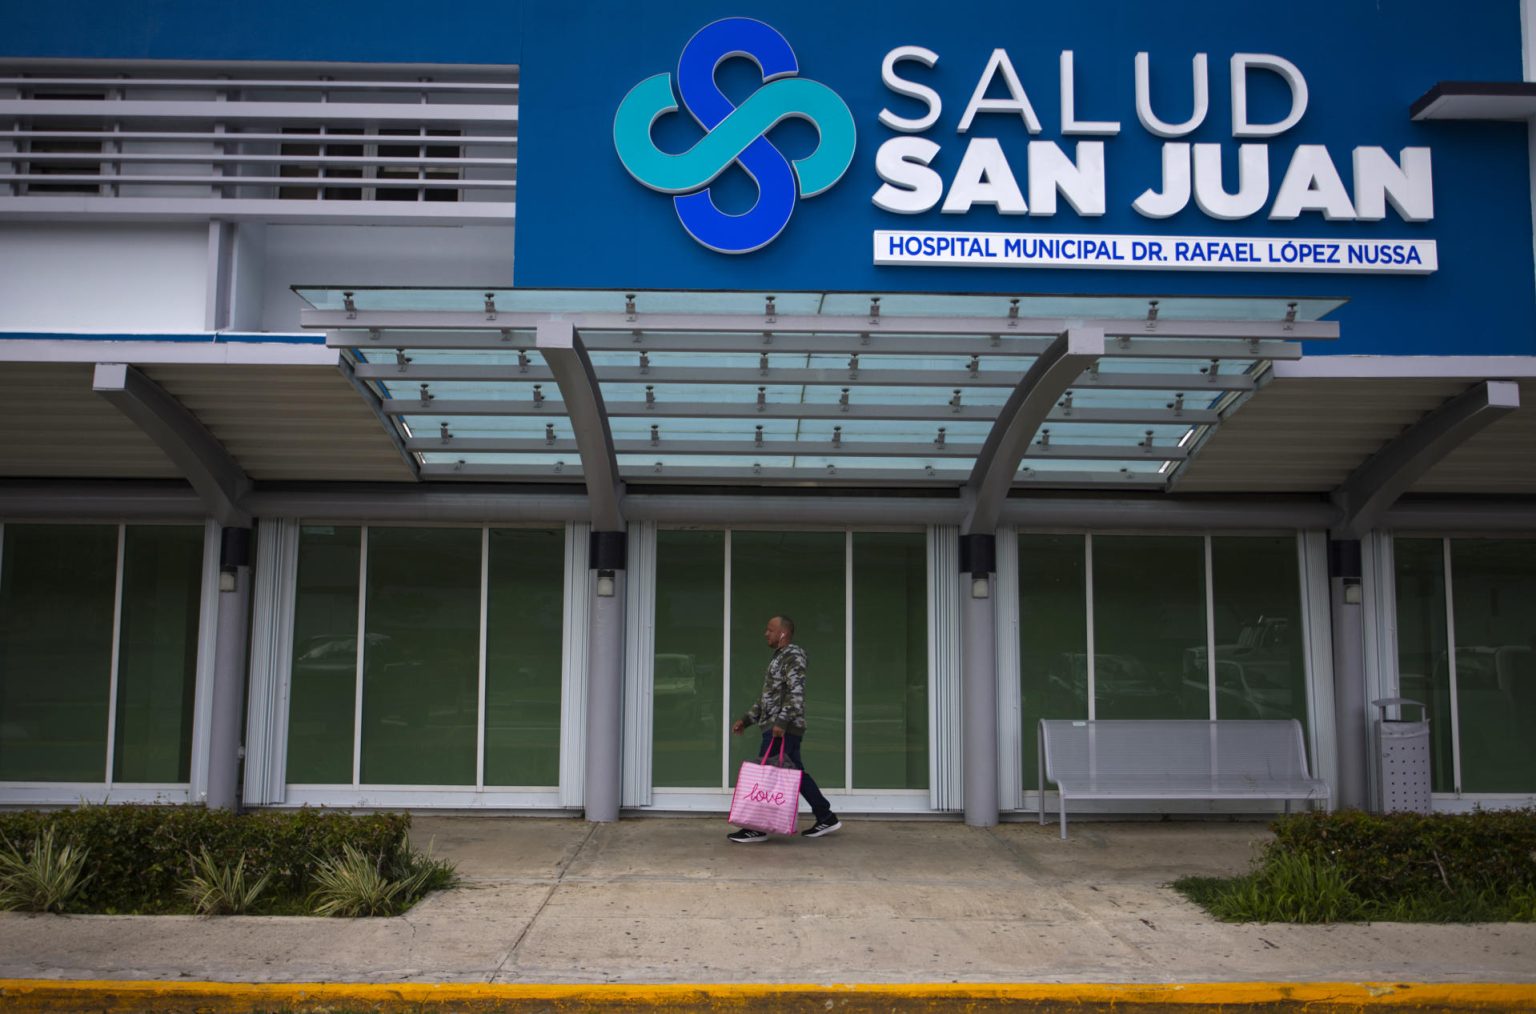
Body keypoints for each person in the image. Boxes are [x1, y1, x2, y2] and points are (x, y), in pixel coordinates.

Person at [727, 614, 841, 842]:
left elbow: (796, 692)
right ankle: (826, 817)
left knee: (766, 775)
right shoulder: (778, 658)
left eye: (770, 629)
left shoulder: (793, 656)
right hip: (779, 725)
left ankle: (757, 828)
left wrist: (781, 722)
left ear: (782, 633)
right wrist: (746, 720)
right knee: (796, 774)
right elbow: (768, 698)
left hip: (783, 728)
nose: (765, 633)